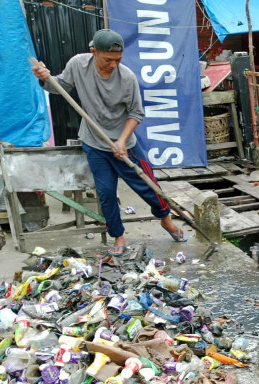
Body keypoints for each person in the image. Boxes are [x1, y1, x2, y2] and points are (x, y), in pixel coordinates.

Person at [31, 29, 187, 257]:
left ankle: (166, 220)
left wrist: (122, 141)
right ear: (93, 52)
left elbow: (136, 113)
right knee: (105, 193)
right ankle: (118, 236)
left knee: (148, 184)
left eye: (118, 60)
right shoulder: (78, 65)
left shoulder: (127, 78)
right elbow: (60, 88)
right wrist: (44, 78)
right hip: (94, 143)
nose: (114, 65)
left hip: (125, 143)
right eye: (108, 60)